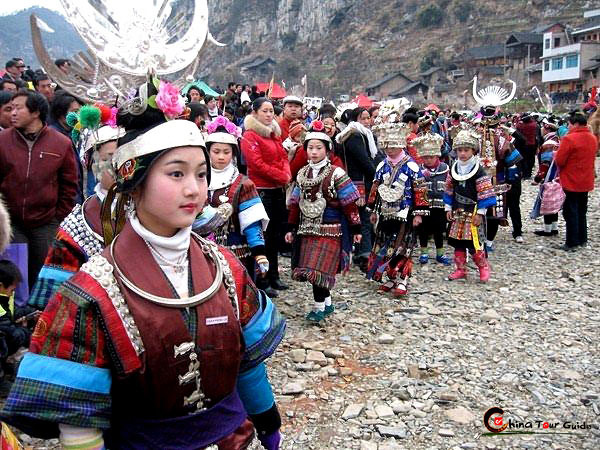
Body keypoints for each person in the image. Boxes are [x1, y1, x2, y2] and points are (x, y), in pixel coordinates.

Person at [1, 79, 285, 449]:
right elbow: (79, 422)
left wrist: (267, 421)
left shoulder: (225, 268)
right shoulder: (92, 290)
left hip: (228, 437)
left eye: (201, 174)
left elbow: (247, 363)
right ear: (133, 183)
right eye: (176, 173)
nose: (194, 189)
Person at [27, 124, 125, 310]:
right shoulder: (78, 224)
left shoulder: (153, 211)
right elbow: (56, 302)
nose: (118, 167)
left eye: (125, 157)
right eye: (109, 159)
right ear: (92, 165)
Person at [0, 91, 78, 289]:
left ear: (35, 112)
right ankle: (14, 316)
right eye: (10, 109)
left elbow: (69, 184)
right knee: (14, 274)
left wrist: (57, 216)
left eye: (18, 108)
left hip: (45, 222)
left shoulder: (60, 143)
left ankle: (39, 315)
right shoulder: (3, 140)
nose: (13, 113)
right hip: (11, 222)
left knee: (44, 275)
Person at [285, 123, 361, 322]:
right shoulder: (302, 174)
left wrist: (356, 228)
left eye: (319, 148)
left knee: (318, 270)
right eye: (310, 148)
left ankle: (319, 308)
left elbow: (350, 203)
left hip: (330, 229)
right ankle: (326, 305)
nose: (314, 152)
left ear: (327, 150)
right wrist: (291, 227)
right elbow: (294, 203)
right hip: (307, 229)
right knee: (313, 270)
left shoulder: (337, 173)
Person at [365, 122, 427, 297]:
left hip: (405, 213)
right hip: (385, 212)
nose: (389, 149)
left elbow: (420, 190)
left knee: (402, 246)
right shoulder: (382, 165)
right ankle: (389, 278)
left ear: (401, 144)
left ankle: (402, 279)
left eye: (393, 146)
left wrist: (419, 213)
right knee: (386, 244)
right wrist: (374, 211)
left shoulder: (412, 166)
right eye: (386, 146)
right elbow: (375, 189)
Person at [206, 115, 269, 279]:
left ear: (233, 154)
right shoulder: (198, 179)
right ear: (208, 152)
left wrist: (259, 252)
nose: (221, 156)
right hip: (202, 249)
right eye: (216, 151)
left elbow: (251, 221)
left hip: (235, 249)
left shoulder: (243, 184)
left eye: (226, 152)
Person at [241, 98, 291, 297]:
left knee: (276, 234)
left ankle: (273, 274)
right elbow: (256, 164)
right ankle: (262, 278)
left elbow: (283, 157)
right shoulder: (250, 135)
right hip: (261, 189)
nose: (269, 115)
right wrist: (282, 176)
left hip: (277, 189)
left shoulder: (274, 134)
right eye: (265, 111)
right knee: (264, 235)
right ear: (255, 113)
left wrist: (285, 174)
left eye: (271, 111)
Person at [444, 129, 497, 282]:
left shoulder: (478, 170)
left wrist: (481, 213)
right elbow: (449, 189)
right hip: (458, 211)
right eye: (459, 150)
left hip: (473, 211)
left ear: (473, 150)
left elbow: (485, 191)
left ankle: (483, 267)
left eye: (466, 150)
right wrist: (448, 207)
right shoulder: (454, 168)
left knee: (474, 242)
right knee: (458, 243)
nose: (462, 153)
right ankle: (461, 269)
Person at [335, 107, 377, 267]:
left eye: (368, 118)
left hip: (353, 180)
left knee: (357, 218)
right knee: (363, 218)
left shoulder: (351, 134)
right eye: (363, 118)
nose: (367, 121)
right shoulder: (355, 136)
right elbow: (364, 160)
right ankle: (364, 253)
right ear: (354, 120)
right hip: (358, 182)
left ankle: (359, 250)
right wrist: (376, 175)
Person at [554, 110, 597, 250]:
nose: (569, 127)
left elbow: (560, 160)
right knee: (581, 210)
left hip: (571, 180)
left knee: (570, 211)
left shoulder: (569, 139)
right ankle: (582, 238)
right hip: (586, 179)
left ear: (576, 124)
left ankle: (572, 241)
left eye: (570, 124)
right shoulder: (592, 138)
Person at [412, 132, 451, 265]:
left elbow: (451, 186)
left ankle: (440, 253)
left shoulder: (446, 169)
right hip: (424, 206)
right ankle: (424, 252)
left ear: (437, 156)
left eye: (431, 157)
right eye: (425, 157)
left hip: (440, 206)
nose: (428, 160)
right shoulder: (418, 170)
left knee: (439, 229)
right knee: (423, 230)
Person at [0, 260, 37, 368]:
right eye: (12, 290)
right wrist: (25, 329)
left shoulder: (5, 298)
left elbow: (14, 312)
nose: (12, 294)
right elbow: (13, 336)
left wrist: (31, 312)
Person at [533, 118, 561, 237]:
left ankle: (548, 229)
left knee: (547, 201)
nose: (541, 129)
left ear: (547, 128)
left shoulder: (548, 144)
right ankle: (554, 227)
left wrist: (538, 178)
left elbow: (545, 164)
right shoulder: (557, 140)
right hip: (557, 176)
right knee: (554, 201)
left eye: (543, 127)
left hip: (549, 177)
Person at [515, 113, 539, 179]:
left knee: (523, 159)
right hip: (532, 144)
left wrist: (517, 118)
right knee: (531, 159)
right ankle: (529, 173)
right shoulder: (534, 125)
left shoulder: (521, 125)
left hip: (523, 145)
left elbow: (516, 126)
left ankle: (524, 173)